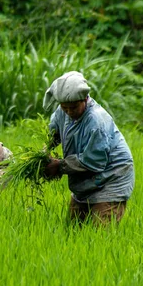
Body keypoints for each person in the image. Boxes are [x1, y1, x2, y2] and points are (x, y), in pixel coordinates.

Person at [43, 71, 135, 225]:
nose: (69, 112)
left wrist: (59, 166)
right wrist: (44, 154)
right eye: (65, 108)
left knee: (99, 236)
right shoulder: (62, 112)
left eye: (73, 107)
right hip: (85, 183)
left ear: (85, 99)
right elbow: (53, 134)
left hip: (111, 179)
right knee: (72, 232)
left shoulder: (96, 121)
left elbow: (93, 161)